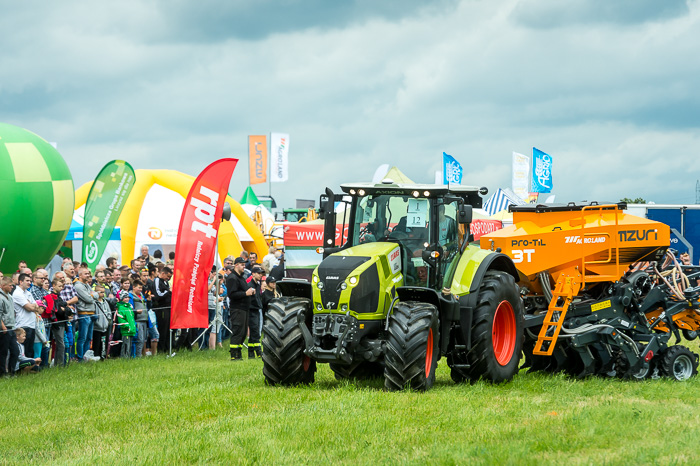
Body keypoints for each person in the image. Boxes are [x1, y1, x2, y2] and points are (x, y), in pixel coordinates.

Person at [226, 257, 254, 360]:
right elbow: (232, 294)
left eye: (244, 265)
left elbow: (243, 290)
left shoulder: (241, 277)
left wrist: (250, 291)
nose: (244, 267)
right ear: (236, 265)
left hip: (244, 308)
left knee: (243, 333)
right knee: (238, 331)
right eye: (242, 265)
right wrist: (245, 293)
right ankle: (234, 354)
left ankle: (239, 352)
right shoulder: (232, 278)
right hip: (237, 308)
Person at [43, 277, 71, 367]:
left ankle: (58, 363)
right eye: (59, 286)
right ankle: (60, 364)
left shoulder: (59, 297)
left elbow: (68, 310)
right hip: (56, 323)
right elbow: (57, 310)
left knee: (60, 344)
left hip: (62, 322)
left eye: (62, 286)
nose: (61, 288)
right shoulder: (51, 297)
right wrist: (63, 309)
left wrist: (64, 309)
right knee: (60, 344)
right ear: (54, 285)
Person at [13, 273, 40, 359]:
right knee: (23, 351)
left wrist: (31, 305)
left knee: (30, 350)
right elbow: (29, 308)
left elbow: (37, 307)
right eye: (27, 281)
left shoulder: (28, 293)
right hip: (23, 325)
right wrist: (32, 305)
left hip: (31, 324)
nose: (29, 283)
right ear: (21, 282)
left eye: (30, 281)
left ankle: (29, 366)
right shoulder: (17, 293)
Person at [74, 267, 98, 361]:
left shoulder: (87, 284)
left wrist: (92, 295)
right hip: (84, 313)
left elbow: (95, 295)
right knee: (82, 337)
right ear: (80, 275)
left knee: (88, 338)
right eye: (86, 274)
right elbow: (88, 299)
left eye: (88, 273)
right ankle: (80, 358)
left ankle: (86, 356)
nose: (88, 275)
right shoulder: (78, 286)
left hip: (91, 313)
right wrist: (92, 295)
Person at [0, 276, 19, 376]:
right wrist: (3, 327)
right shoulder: (0, 298)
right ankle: (2, 373)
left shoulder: (10, 297)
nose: (12, 287)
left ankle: (12, 372)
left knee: (15, 350)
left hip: (12, 328)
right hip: (4, 328)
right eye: (10, 285)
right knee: (3, 352)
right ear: (3, 286)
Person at [153, 267, 173, 352]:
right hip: (161, 308)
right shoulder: (157, 280)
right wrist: (168, 291)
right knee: (162, 329)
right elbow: (158, 294)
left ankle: (167, 348)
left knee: (168, 329)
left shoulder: (166, 282)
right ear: (163, 273)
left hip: (168, 308)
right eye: (167, 276)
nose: (168, 278)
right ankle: (161, 350)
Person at [246, 266, 264, 358]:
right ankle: (258, 351)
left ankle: (251, 353)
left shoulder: (257, 285)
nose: (261, 275)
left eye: (261, 273)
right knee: (255, 331)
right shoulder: (250, 285)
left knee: (254, 332)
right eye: (259, 273)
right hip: (252, 310)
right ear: (253, 274)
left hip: (256, 310)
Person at [93, 287, 112, 360]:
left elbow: (109, 312)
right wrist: (97, 322)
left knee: (104, 343)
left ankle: (103, 356)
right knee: (97, 343)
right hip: (97, 327)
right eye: (101, 292)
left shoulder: (105, 302)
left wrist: (108, 321)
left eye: (103, 292)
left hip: (105, 326)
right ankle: (96, 356)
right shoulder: (94, 302)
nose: (103, 294)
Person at [131, 280, 148, 357]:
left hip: (144, 319)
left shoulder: (141, 295)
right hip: (137, 320)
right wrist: (136, 311)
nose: (140, 289)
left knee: (143, 339)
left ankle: (139, 354)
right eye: (139, 287)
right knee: (139, 339)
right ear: (133, 287)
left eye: (141, 288)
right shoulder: (131, 296)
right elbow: (130, 308)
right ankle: (137, 355)